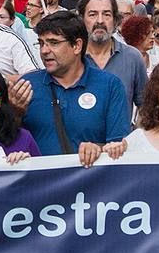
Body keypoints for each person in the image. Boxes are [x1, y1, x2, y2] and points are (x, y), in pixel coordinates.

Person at [20, 12, 132, 165]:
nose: (44, 50)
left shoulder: (110, 85)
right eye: (41, 43)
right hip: (40, 186)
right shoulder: (27, 85)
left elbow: (118, 147)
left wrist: (97, 149)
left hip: (90, 184)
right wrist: (14, 112)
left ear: (77, 46)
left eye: (53, 43)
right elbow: (5, 141)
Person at [80, 0, 147, 110]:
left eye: (106, 14)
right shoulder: (72, 58)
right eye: (92, 14)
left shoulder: (132, 57)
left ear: (115, 20)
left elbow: (146, 106)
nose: (100, 21)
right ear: (82, 19)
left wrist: (138, 128)